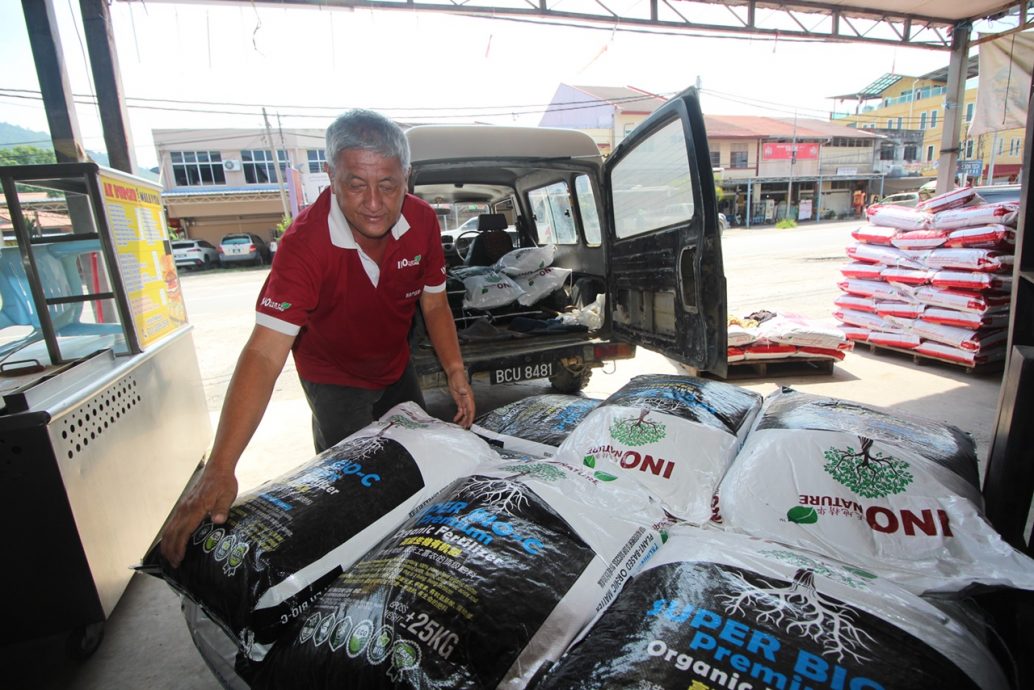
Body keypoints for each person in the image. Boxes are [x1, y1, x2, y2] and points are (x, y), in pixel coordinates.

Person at [160, 109, 475, 567]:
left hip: (393, 365)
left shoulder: (424, 223)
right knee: (354, 485)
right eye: (355, 184)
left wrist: (455, 370)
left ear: (407, 176)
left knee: (412, 464)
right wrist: (220, 467)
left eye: (388, 185)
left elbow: (434, 304)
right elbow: (265, 353)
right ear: (329, 176)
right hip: (332, 378)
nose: (373, 203)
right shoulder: (304, 245)